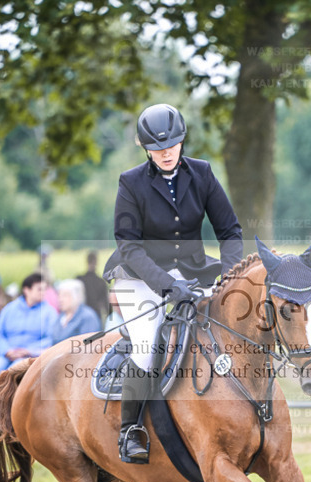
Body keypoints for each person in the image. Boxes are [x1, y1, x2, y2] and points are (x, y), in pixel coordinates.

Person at [103, 102, 244, 463]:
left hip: (194, 270)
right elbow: (130, 247)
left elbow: (229, 231)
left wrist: (229, 276)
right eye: (156, 148)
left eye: (172, 145)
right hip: (140, 276)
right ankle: (130, 430)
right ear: (144, 147)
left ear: (182, 141)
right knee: (148, 343)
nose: (166, 153)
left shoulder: (202, 174)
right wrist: (167, 285)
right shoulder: (131, 183)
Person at [0, 272, 57, 395]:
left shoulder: (49, 312)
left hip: (30, 356)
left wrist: (29, 351)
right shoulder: (9, 309)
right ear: (26, 290)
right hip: (7, 353)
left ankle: (9, 410)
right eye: (39, 289)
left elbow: (51, 339)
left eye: (44, 289)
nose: (43, 292)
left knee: (12, 374)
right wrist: (7, 351)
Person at [50, 279, 101, 344]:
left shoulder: (88, 317)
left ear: (77, 297)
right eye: (59, 295)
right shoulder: (61, 317)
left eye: (65, 295)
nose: (60, 299)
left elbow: (89, 346)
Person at [77, 251, 110, 327]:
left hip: (81, 317)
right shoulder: (101, 282)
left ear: (87, 261)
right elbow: (106, 305)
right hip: (96, 316)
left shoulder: (80, 279)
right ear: (96, 262)